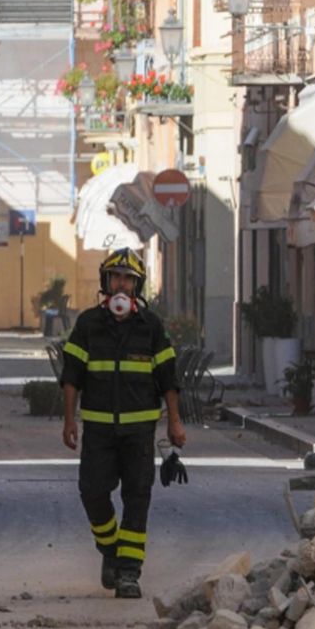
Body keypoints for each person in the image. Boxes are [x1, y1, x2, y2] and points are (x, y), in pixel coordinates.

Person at [59, 247, 187, 599]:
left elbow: (168, 379)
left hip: (139, 433)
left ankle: (129, 574)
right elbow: (72, 376)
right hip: (98, 430)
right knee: (93, 492)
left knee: (137, 498)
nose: (121, 284)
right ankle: (111, 551)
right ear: (106, 281)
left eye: (128, 279)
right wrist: (69, 421)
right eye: (116, 277)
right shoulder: (88, 325)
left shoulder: (151, 327)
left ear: (137, 286)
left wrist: (174, 423)